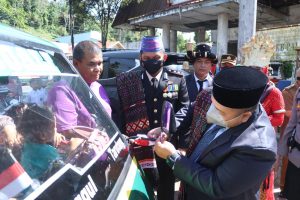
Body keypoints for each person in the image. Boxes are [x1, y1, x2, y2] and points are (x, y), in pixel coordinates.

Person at [153, 66, 277, 200]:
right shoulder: (220, 99)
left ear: (245, 116)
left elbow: (217, 186)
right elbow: (193, 109)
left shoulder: (258, 148)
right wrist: (167, 128)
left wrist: (174, 158)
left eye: (221, 112)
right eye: (213, 105)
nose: (211, 112)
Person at [115, 36, 189, 200]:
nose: (152, 61)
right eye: (147, 58)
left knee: (166, 185)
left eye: (156, 58)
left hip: (166, 144)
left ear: (164, 57)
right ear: (141, 57)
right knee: (142, 185)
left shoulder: (175, 78)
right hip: (141, 146)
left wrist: (167, 127)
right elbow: (122, 114)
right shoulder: (130, 81)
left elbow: (184, 107)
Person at [18, 105, 62, 179]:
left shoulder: (27, 147)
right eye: (53, 127)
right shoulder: (48, 152)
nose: (55, 130)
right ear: (43, 134)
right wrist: (72, 151)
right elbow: (62, 170)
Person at [73, 40, 112, 117]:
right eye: (92, 64)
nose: (98, 69)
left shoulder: (98, 87)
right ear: (76, 63)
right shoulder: (67, 91)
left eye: (100, 63)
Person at [278, 68, 300, 197]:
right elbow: (292, 122)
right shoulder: (297, 93)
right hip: (296, 156)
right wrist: (282, 150)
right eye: (298, 78)